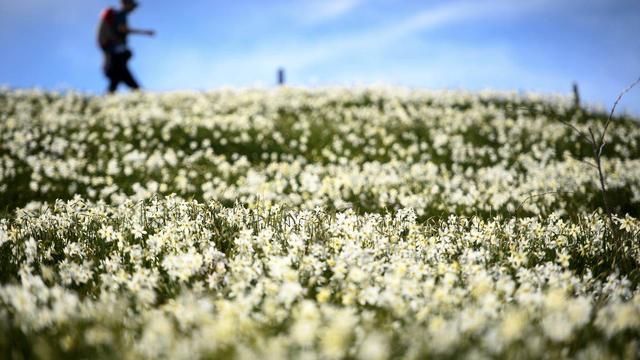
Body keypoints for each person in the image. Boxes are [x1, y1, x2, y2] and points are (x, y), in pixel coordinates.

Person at [97, 0, 155, 93]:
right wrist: (144, 32)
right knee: (120, 74)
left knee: (117, 77)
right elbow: (122, 29)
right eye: (132, 6)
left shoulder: (117, 14)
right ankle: (139, 92)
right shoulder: (121, 14)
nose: (133, 9)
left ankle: (137, 92)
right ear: (126, 4)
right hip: (116, 50)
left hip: (113, 50)